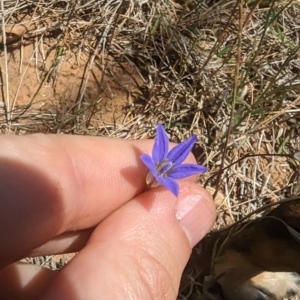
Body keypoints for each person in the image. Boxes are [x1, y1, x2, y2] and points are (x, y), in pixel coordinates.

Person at [0, 134, 216, 299]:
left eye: (163, 169)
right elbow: (151, 157)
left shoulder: (165, 176)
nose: (164, 168)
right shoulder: (156, 169)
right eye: (160, 167)